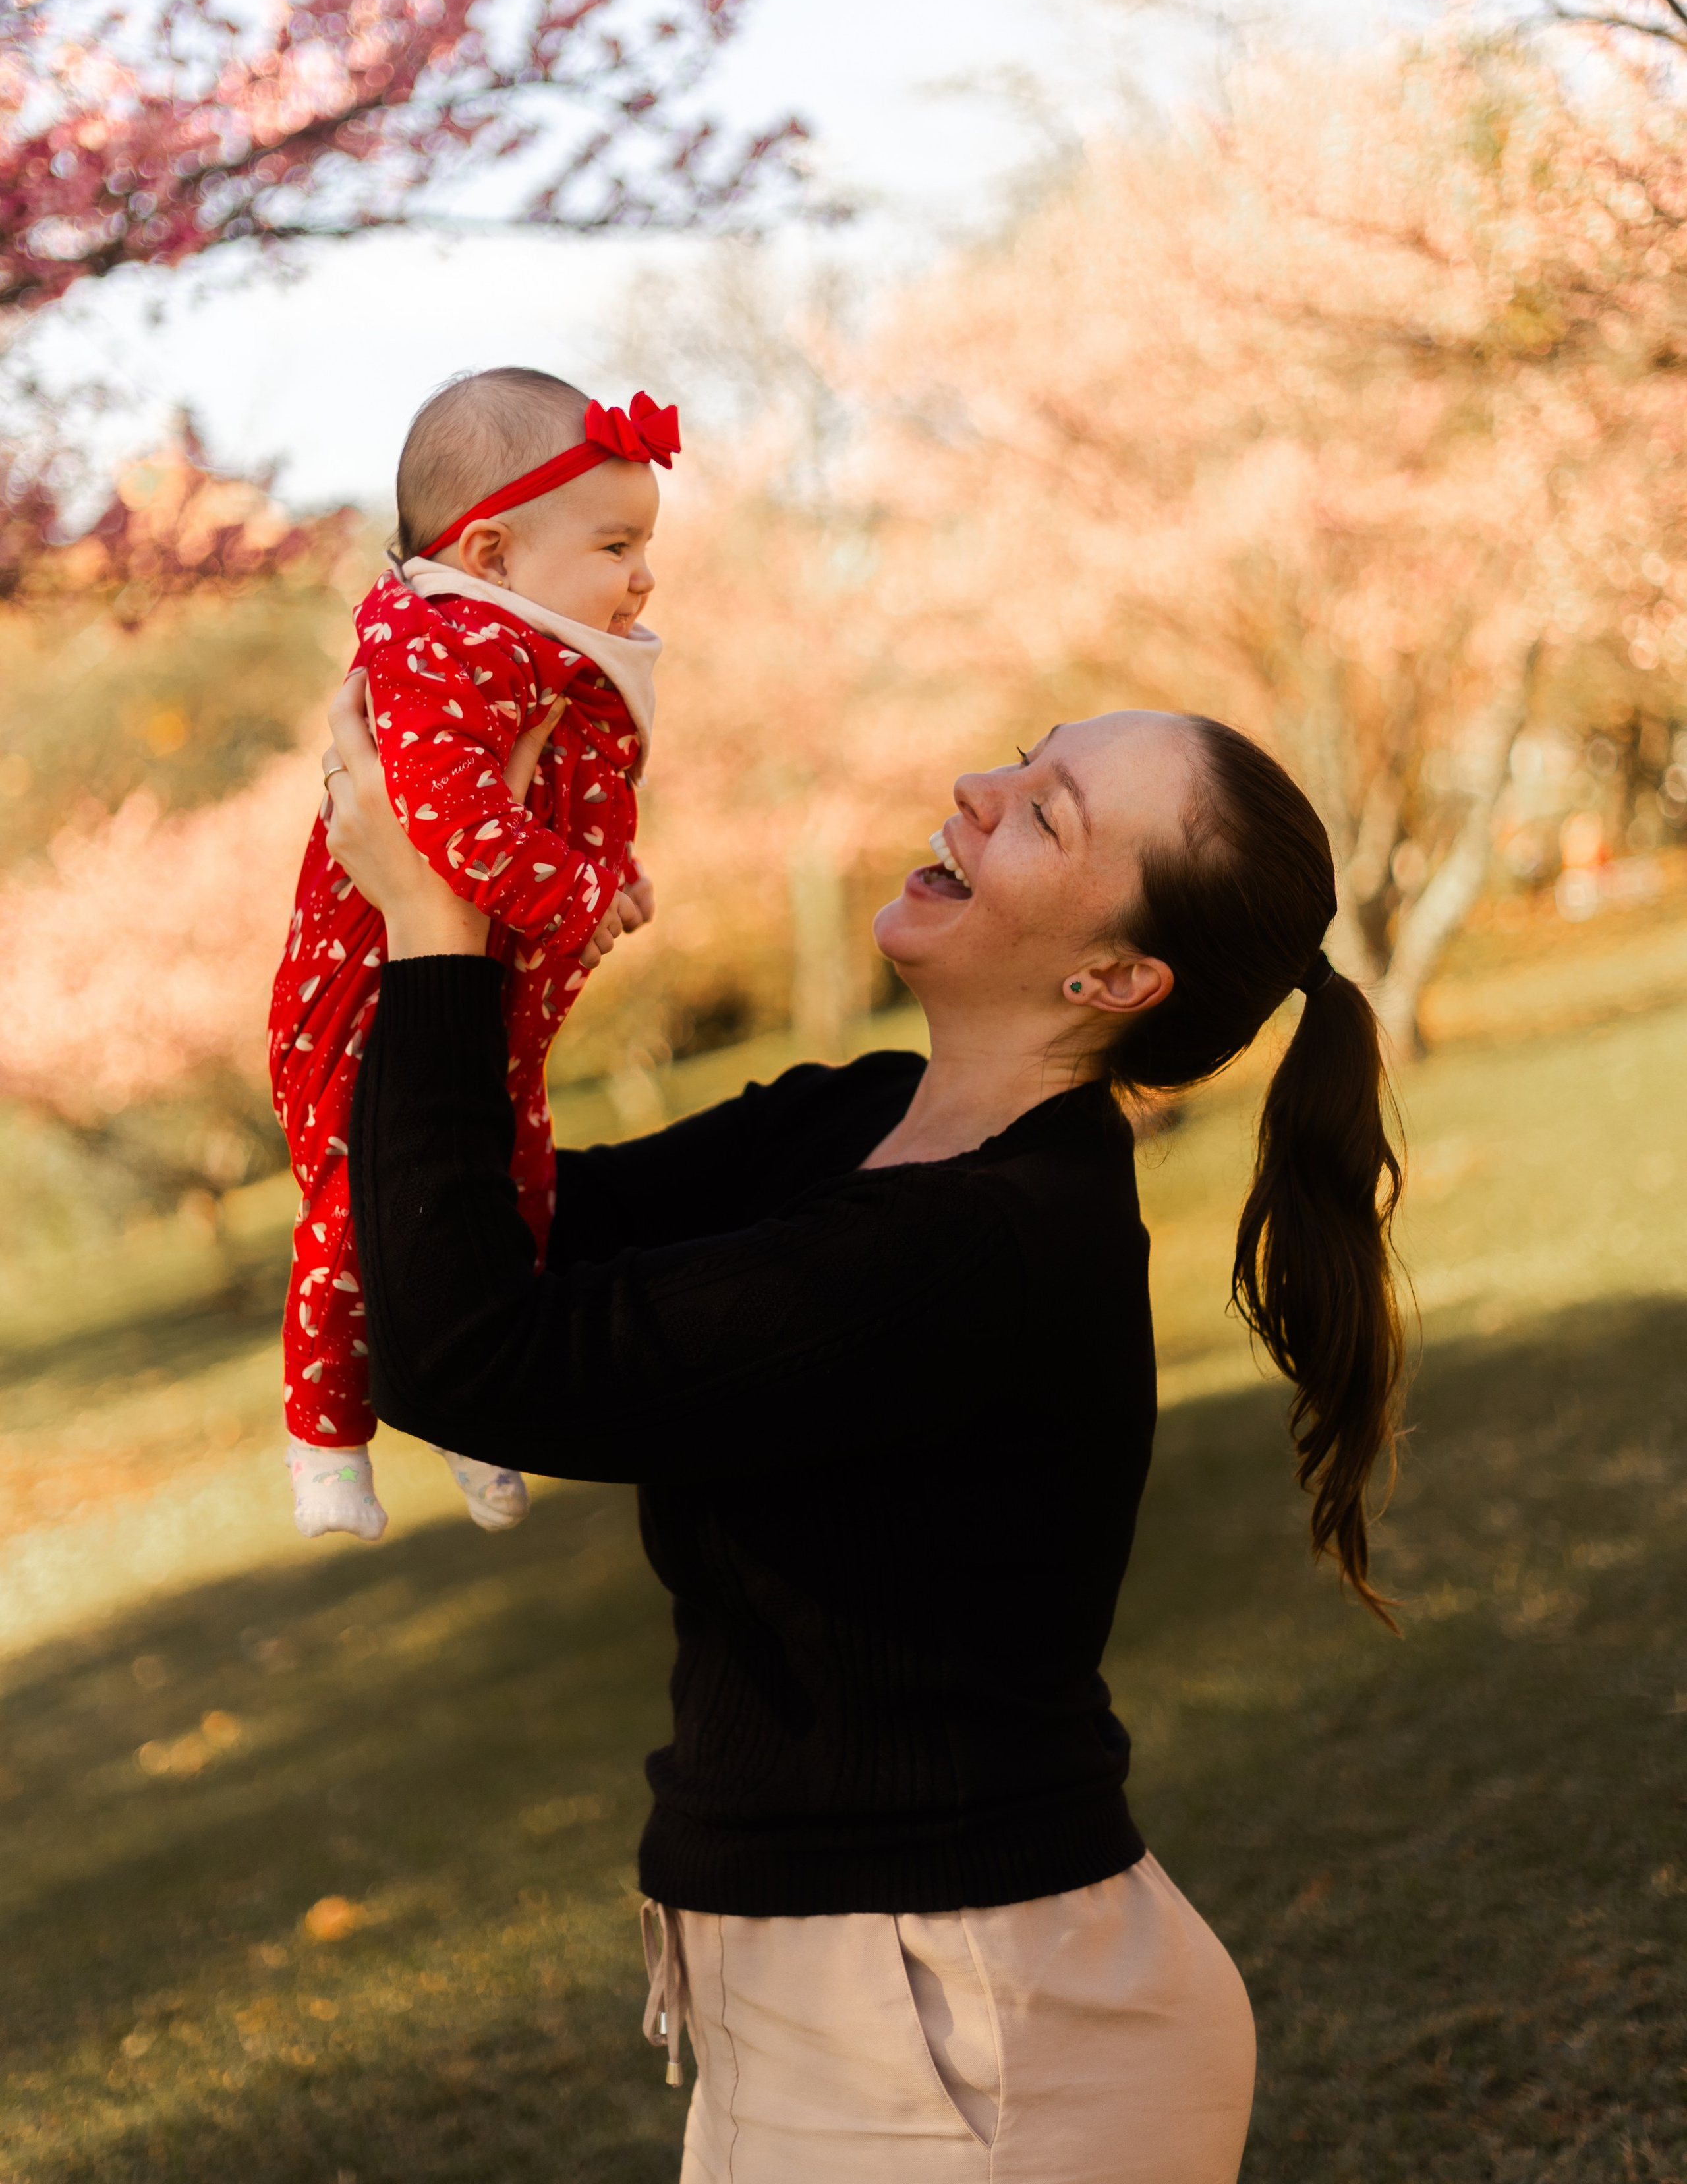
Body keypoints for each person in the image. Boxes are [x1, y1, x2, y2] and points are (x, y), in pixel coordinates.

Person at [319, 695, 1407, 2184]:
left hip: (966, 2031)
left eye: (1044, 813)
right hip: (850, 2001)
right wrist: (485, 892)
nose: (972, 787)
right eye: (1021, 759)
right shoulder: (857, 1123)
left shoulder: (984, 1242)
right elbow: (460, 1233)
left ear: (1111, 976)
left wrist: (434, 939)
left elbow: (473, 1358)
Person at [269, 368, 674, 1543]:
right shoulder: (445, 652)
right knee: (354, 1201)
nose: (645, 575)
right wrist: (580, 890)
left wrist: (607, 870)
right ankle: (324, 1442)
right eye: (617, 543)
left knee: (511, 1193)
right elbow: (452, 826)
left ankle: (470, 1413)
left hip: (487, 991)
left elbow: (547, 798)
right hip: (368, 991)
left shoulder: (530, 652)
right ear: (492, 555)